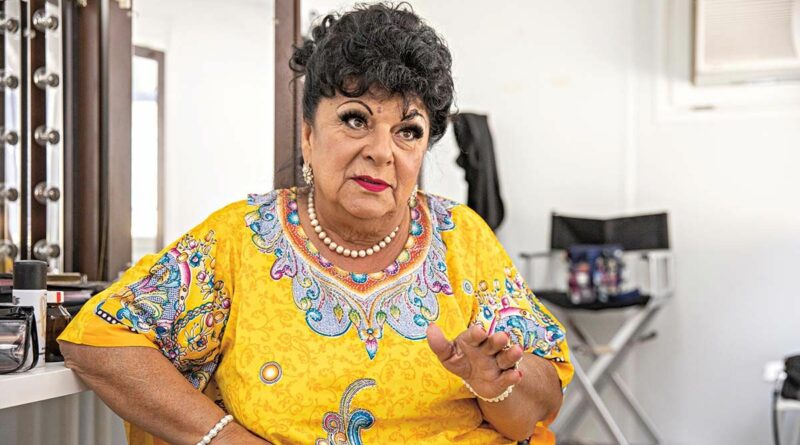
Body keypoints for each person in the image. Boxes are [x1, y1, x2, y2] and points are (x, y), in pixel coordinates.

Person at [59, 3, 573, 444]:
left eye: (408, 131)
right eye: (355, 119)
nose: (381, 152)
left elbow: (538, 405)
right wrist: (227, 438)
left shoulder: (464, 238)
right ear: (308, 135)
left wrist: (497, 386)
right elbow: (100, 338)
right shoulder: (240, 239)